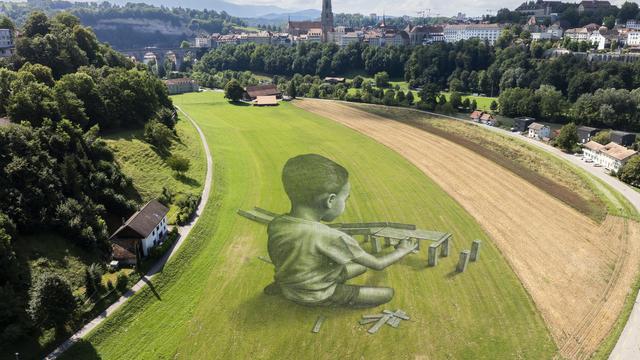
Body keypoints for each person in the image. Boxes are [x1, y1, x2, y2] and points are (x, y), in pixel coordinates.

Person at [265, 153, 416, 308]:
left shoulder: (277, 223)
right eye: (345, 199)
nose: (345, 203)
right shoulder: (332, 237)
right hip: (315, 294)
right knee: (387, 294)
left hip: (289, 283)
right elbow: (377, 264)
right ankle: (325, 296)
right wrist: (403, 250)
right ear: (330, 200)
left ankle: (285, 289)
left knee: (360, 267)